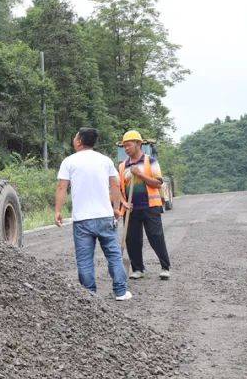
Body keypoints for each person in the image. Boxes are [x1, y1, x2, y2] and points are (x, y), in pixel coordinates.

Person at [55, 127, 131, 300]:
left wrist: (58, 211)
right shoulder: (105, 161)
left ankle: (90, 295)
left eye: (75, 136)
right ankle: (120, 291)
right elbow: (115, 185)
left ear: (79, 141)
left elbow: (62, 187)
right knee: (114, 255)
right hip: (105, 216)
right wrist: (116, 208)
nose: (74, 139)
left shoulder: (69, 161)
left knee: (84, 259)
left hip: (82, 219)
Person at [118, 130, 172, 280]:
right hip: (131, 209)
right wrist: (123, 203)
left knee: (156, 236)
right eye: (124, 147)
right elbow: (120, 189)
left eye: (128, 145)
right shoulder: (123, 166)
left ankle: (165, 267)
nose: (126, 149)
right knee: (132, 239)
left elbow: (158, 183)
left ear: (138, 144)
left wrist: (140, 174)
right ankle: (137, 269)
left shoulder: (151, 161)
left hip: (150, 206)